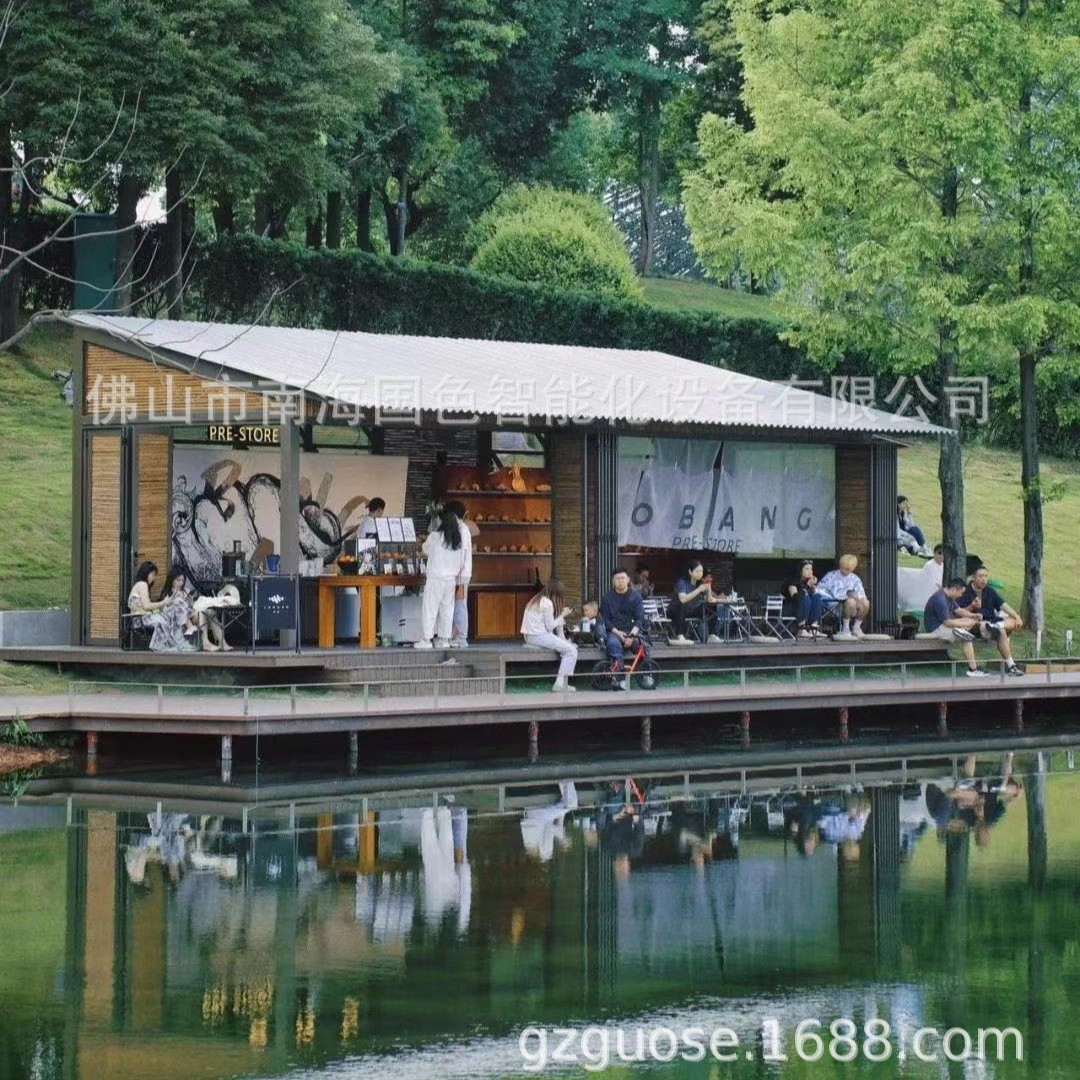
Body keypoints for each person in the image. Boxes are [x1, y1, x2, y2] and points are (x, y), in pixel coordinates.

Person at [418, 504, 472, 649]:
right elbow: (462, 561)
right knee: (447, 610)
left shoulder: (435, 536)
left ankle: (427, 640)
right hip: (451, 580)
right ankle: (445, 640)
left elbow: (425, 549)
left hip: (436, 578)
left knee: (430, 609)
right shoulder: (457, 540)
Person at [959, 566, 1025, 675]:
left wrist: (1017, 617)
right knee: (1001, 632)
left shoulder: (989, 591)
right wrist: (972, 607)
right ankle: (1011, 666)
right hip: (975, 624)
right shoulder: (966, 591)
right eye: (980, 576)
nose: (984, 579)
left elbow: (1003, 605)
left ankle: (998, 626)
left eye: (986, 576)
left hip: (992, 622)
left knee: (1013, 620)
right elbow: (958, 611)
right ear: (973, 577)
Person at [923, 577, 988, 677]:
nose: (961, 595)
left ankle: (973, 668)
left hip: (944, 625)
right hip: (936, 629)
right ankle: (973, 670)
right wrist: (965, 623)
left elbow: (959, 610)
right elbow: (947, 623)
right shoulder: (940, 599)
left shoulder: (949, 597)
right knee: (966, 637)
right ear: (954, 589)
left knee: (967, 625)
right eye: (960, 593)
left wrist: (972, 616)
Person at [520, 579, 578, 692]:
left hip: (530, 636)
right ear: (556, 593)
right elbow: (550, 626)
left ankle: (565, 643)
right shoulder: (547, 603)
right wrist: (562, 615)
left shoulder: (536, 599)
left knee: (568, 646)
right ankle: (560, 684)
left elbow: (550, 625)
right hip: (538, 636)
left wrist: (561, 617)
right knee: (571, 651)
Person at [600, 568, 649, 686]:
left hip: (632, 631)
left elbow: (640, 619)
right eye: (617, 578)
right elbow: (605, 620)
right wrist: (618, 633)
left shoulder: (636, 597)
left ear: (628, 580)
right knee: (613, 645)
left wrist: (632, 636)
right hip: (614, 632)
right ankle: (619, 678)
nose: (620, 581)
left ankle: (646, 675)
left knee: (644, 647)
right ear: (613, 581)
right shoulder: (607, 598)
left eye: (623, 578)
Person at [444, 500, 478, 649]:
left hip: (461, 574)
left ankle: (462, 637)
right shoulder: (459, 527)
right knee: (455, 605)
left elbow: (461, 554)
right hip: (458, 573)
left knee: (460, 605)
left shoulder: (463, 529)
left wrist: (458, 574)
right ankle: (455, 635)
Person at [668, 560, 724, 644]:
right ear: (690, 572)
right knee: (682, 605)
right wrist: (698, 590)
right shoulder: (682, 582)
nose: (700, 573)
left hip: (692, 610)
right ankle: (680, 636)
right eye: (697, 571)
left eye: (701, 571)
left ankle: (711, 635)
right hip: (676, 611)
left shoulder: (700, 583)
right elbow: (682, 599)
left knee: (711, 606)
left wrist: (708, 589)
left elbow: (709, 600)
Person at [817, 554, 870, 638]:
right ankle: (846, 629)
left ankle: (856, 628)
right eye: (842, 567)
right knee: (850, 602)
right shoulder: (831, 575)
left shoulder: (855, 579)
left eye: (847, 569)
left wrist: (858, 598)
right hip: (834, 605)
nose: (844, 570)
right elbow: (819, 589)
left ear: (853, 568)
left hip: (853, 607)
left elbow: (861, 593)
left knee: (866, 603)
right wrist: (835, 598)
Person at [782, 560, 824, 634]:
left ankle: (813, 628)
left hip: (805, 611)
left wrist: (814, 588)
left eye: (811, 569)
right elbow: (795, 598)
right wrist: (807, 586)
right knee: (805, 598)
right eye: (807, 569)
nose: (810, 571)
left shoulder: (810, 582)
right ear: (800, 571)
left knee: (817, 597)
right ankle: (801, 628)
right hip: (790, 609)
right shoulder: (792, 581)